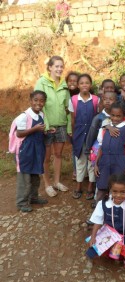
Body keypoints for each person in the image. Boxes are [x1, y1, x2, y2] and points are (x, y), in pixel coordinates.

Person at [86, 174, 125, 268]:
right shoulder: (103, 203)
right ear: (110, 190)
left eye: (122, 192)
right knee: (92, 252)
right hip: (109, 235)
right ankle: (115, 253)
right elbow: (97, 221)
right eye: (114, 191)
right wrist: (93, 237)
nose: (118, 195)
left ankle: (118, 253)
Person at [35, 55, 71, 197]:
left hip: (61, 124)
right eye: (56, 66)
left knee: (58, 154)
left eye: (61, 66)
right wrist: (47, 126)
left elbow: (68, 107)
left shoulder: (64, 84)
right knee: (46, 157)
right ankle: (47, 184)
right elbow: (38, 105)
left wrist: (68, 127)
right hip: (46, 126)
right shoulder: (41, 82)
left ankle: (57, 182)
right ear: (50, 67)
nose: (59, 69)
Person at [14, 91, 48, 212]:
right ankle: (21, 202)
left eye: (42, 100)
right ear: (30, 101)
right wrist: (35, 128)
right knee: (24, 175)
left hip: (37, 149)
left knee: (35, 174)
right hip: (26, 150)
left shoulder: (41, 115)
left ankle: (33, 197)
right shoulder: (24, 116)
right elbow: (19, 133)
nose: (38, 103)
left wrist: (46, 131)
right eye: (36, 100)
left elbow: (40, 131)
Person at [94, 102, 125, 203]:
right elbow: (100, 148)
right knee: (102, 188)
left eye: (118, 116)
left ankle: (117, 212)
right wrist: (96, 164)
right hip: (104, 162)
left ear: (123, 115)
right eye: (113, 115)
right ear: (110, 115)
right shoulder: (104, 130)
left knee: (119, 188)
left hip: (119, 162)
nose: (115, 118)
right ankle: (98, 213)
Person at [68, 73, 99, 200]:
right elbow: (72, 120)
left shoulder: (96, 100)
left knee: (92, 160)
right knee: (80, 160)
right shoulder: (73, 100)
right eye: (81, 83)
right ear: (78, 85)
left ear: (90, 85)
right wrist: (74, 135)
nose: (84, 85)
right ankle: (79, 185)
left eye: (87, 82)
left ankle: (91, 186)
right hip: (79, 134)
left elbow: (98, 118)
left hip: (93, 135)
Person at [65, 71, 80, 181]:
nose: (72, 83)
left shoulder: (83, 93)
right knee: (75, 149)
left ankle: (84, 171)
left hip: (81, 126)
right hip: (70, 126)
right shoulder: (64, 93)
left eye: (75, 81)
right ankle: (76, 171)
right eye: (70, 81)